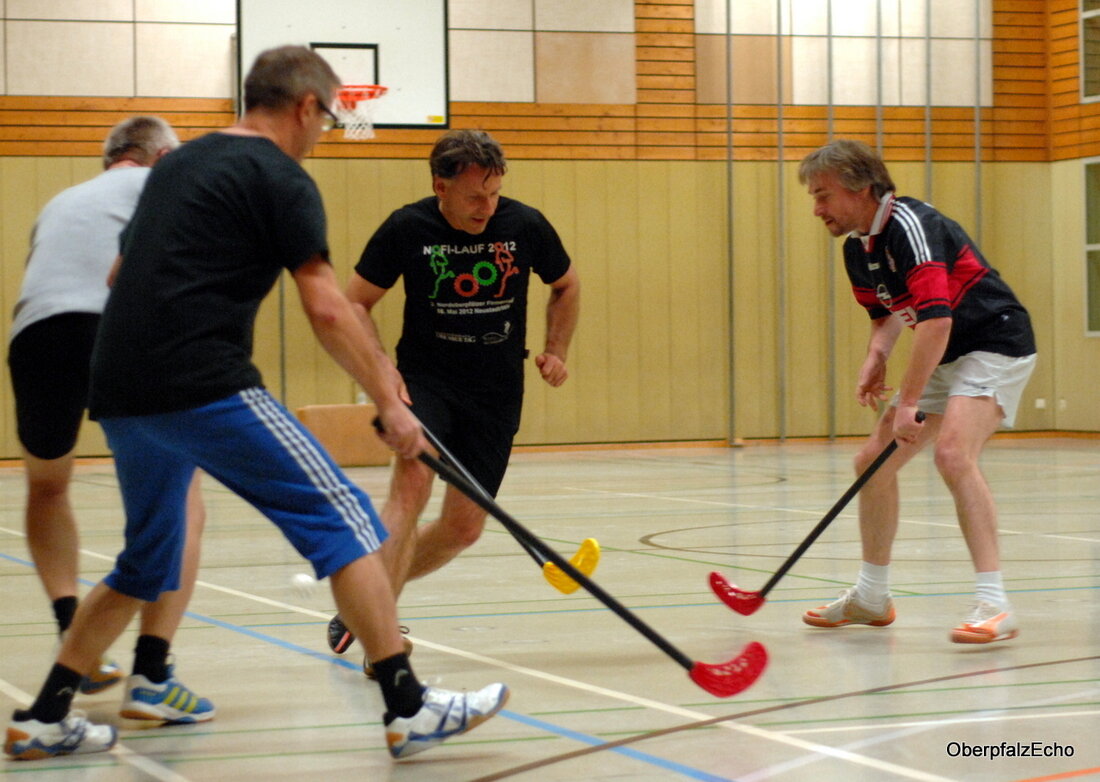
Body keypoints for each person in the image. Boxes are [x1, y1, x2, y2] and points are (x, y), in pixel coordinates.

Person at [3, 46, 507, 762]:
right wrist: (390, 401)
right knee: (346, 518)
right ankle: (409, 704)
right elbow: (330, 310)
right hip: (202, 381)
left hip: (118, 389)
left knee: (147, 562)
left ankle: (46, 716)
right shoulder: (281, 175)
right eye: (329, 118)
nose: (326, 132)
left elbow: (119, 272)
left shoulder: (175, 164)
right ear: (305, 106)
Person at [325, 129, 580, 673]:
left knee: (462, 529)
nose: (486, 207)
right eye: (472, 196)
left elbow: (567, 285)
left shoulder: (525, 224)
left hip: (496, 392)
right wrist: (381, 370)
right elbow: (354, 303)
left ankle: (362, 596)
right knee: (411, 489)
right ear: (440, 186)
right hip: (426, 384)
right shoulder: (407, 227)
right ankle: (382, 640)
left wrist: (556, 349)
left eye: (493, 193)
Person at [6, 116, 213, 723]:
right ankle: (152, 673)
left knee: (47, 486)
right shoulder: (163, 183)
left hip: (36, 335)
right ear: (163, 156)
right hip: (118, 327)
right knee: (184, 498)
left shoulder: (61, 200)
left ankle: (75, 630)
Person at [797, 138, 1037, 644]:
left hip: (993, 340)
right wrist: (876, 356)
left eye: (823, 195)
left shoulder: (912, 226)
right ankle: (870, 596)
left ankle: (995, 605)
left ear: (862, 188)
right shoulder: (857, 248)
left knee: (953, 454)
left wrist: (908, 402)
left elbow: (935, 321)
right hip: (947, 351)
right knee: (873, 463)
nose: (817, 208)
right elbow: (887, 315)